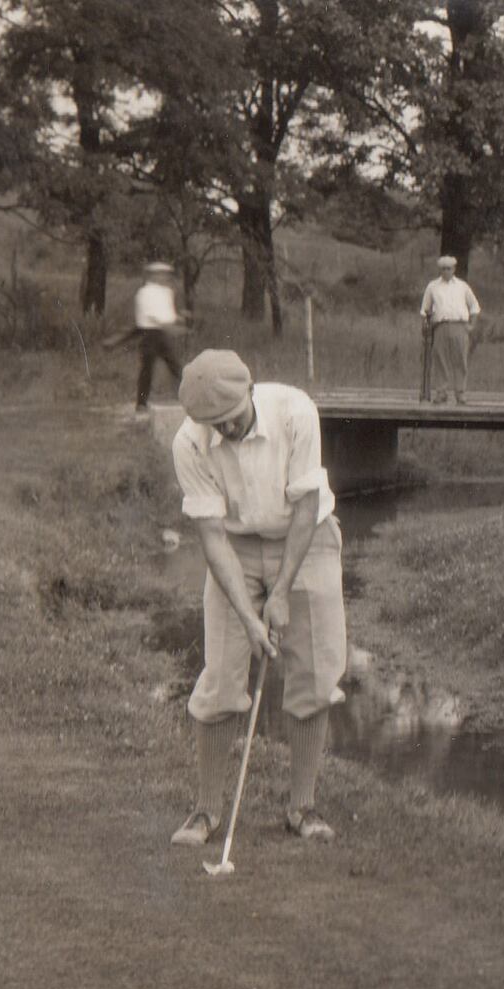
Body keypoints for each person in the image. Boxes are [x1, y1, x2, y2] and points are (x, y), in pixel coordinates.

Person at [168, 348, 347, 846]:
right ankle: (205, 812)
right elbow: (210, 536)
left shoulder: (295, 411)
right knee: (221, 676)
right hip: (235, 546)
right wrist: (250, 618)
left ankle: (302, 808)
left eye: (230, 420)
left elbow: (309, 502)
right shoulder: (189, 442)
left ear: (250, 391)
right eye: (213, 424)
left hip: (304, 537)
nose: (224, 431)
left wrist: (282, 591)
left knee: (314, 673)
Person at [103, 262, 186, 414]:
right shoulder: (144, 293)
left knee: (176, 366)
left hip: (162, 334)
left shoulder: (167, 292)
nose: (164, 277)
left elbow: (168, 313)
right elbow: (151, 315)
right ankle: (141, 403)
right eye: (160, 274)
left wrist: (176, 320)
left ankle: (186, 398)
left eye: (165, 274)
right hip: (149, 335)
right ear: (153, 275)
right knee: (147, 370)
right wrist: (170, 324)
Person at [418, 254, 481, 405]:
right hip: (440, 326)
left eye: (449, 268)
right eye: (443, 269)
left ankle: (460, 393)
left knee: (460, 360)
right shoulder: (433, 286)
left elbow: (475, 307)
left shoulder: (462, 286)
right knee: (441, 360)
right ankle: (441, 393)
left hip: (460, 326)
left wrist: (471, 326)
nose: (446, 271)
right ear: (440, 270)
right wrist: (426, 327)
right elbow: (424, 309)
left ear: (454, 269)